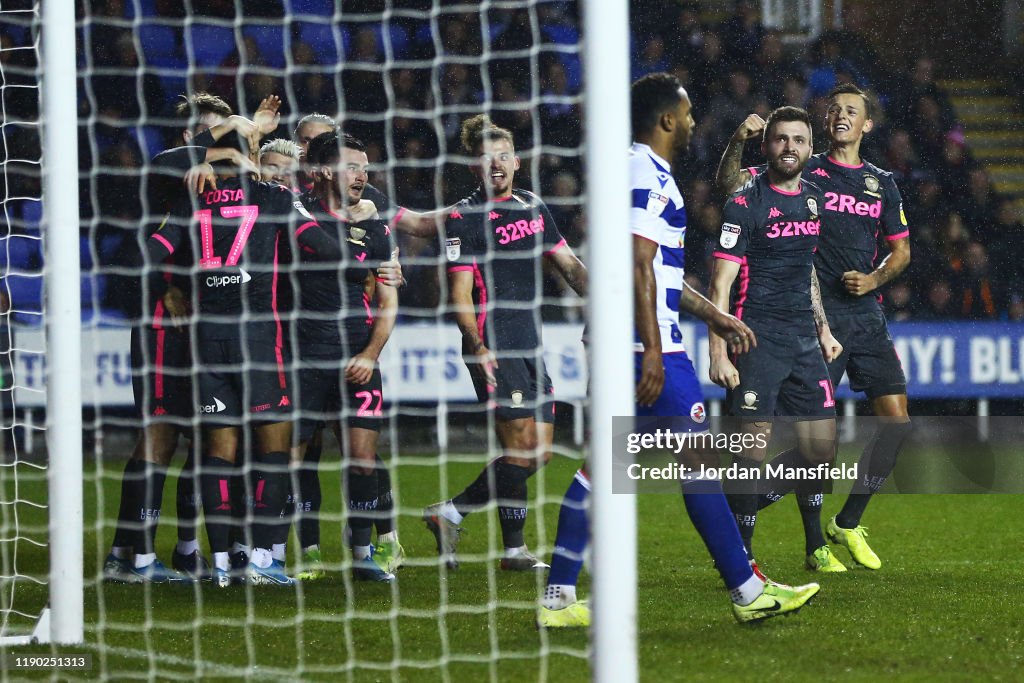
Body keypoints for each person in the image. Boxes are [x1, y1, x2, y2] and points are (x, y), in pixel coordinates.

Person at [538, 73, 820, 628]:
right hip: (652, 349)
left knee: (603, 466)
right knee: (698, 464)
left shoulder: (639, 169)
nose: (693, 123)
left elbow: (660, 273)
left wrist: (716, 314)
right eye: (688, 114)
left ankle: (557, 598)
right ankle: (746, 591)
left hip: (627, 340)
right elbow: (639, 265)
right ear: (668, 120)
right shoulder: (647, 173)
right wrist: (648, 349)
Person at [716, 84, 912, 571]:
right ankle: (798, 538)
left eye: (853, 111)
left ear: (868, 124)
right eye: (835, 109)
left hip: (863, 316)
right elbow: (735, 187)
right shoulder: (804, 169)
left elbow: (902, 250)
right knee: (808, 443)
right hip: (807, 317)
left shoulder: (880, 182)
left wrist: (874, 278)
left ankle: (844, 522)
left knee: (894, 424)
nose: (841, 115)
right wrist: (739, 141)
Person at [103, 92, 281, 583]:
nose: (227, 144)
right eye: (214, 134)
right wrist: (167, 289)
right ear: (190, 136)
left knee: (205, 441)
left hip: (202, 327)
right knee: (158, 435)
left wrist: (238, 149)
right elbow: (144, 248)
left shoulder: (219, 185)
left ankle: (168, 549)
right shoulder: (169, 171)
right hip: (164, 321)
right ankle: (134, 559)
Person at [145, 163, 342, 588]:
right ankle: (261, 560)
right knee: (274, 447)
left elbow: (149, 254)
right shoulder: (273, 197)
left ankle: (219, 564)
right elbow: (326, 249)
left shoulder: (191, 197)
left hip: (206, 339)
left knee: (218, 452)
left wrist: (173, 284)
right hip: (257, 338)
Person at [422, 114, 588, 572]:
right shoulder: (463, 217)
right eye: (485, 158)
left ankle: (511, 550)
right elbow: (458, 294)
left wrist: (609, 301)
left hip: (530, 343)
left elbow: (570, 267)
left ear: (516, 162)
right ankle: (453, 513)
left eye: (502, 156)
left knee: (539, 451)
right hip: (491, 344)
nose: (495, 164)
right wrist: (476, 344)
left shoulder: (533, 207)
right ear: (474, 167)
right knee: (523, 448)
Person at [707, 105, 844, 571]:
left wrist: (823, 327)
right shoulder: (745, 201)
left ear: (810, 147)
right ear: (767, 146)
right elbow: (719, 285)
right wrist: (718, 350)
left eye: (799, 140)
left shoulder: (813, 198)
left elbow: (806, 270)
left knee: (820, 447)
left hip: (803, 339)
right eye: (781, 139)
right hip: (753, 338)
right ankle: (743, 558)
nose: (790, 148)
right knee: (751, 449)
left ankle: (744, 505)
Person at [289, 131, 404, 582]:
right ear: (323, 171)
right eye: (352, 166)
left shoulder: (375, 227)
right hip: (304, 354)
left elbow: (389, 303)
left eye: (365, 167)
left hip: (358, 354)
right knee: (293, 459)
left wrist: (371, 355)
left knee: (362, 457)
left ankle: (362, 553)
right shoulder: (298, 213)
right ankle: (290, 554)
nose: (362, 175)